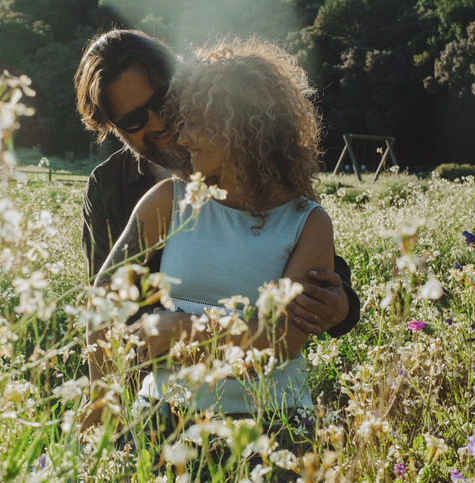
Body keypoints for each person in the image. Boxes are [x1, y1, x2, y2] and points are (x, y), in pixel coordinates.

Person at [82, 39, 334, 483]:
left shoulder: (308, 220)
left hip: (274, 422)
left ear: (239, 125)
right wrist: (104, 399)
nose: (176, 132)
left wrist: (186, 330)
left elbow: (284, 339)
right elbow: (102, 301)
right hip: (167, 413)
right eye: (135, 120)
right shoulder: (162, 199)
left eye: (189, 118)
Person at [75, 29, 360, 338]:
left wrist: (342, 305)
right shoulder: (107, 186)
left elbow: (299, 238)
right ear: (114, 129)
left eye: (161, 101)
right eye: (134, 121)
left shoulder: (239, 158)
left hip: (258, 374)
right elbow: (105, 300)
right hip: (154, 373)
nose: (157, 123)